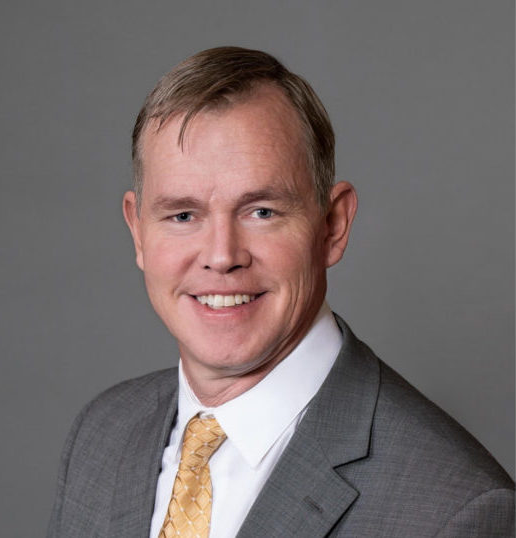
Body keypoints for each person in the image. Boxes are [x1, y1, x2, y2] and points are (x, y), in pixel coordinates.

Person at [47, 47, 514, 538]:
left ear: (333, 226)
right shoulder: (101, 435)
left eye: (262, 211)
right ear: (138, 232)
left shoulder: (455, 510)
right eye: (182, 215)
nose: (222, 256)